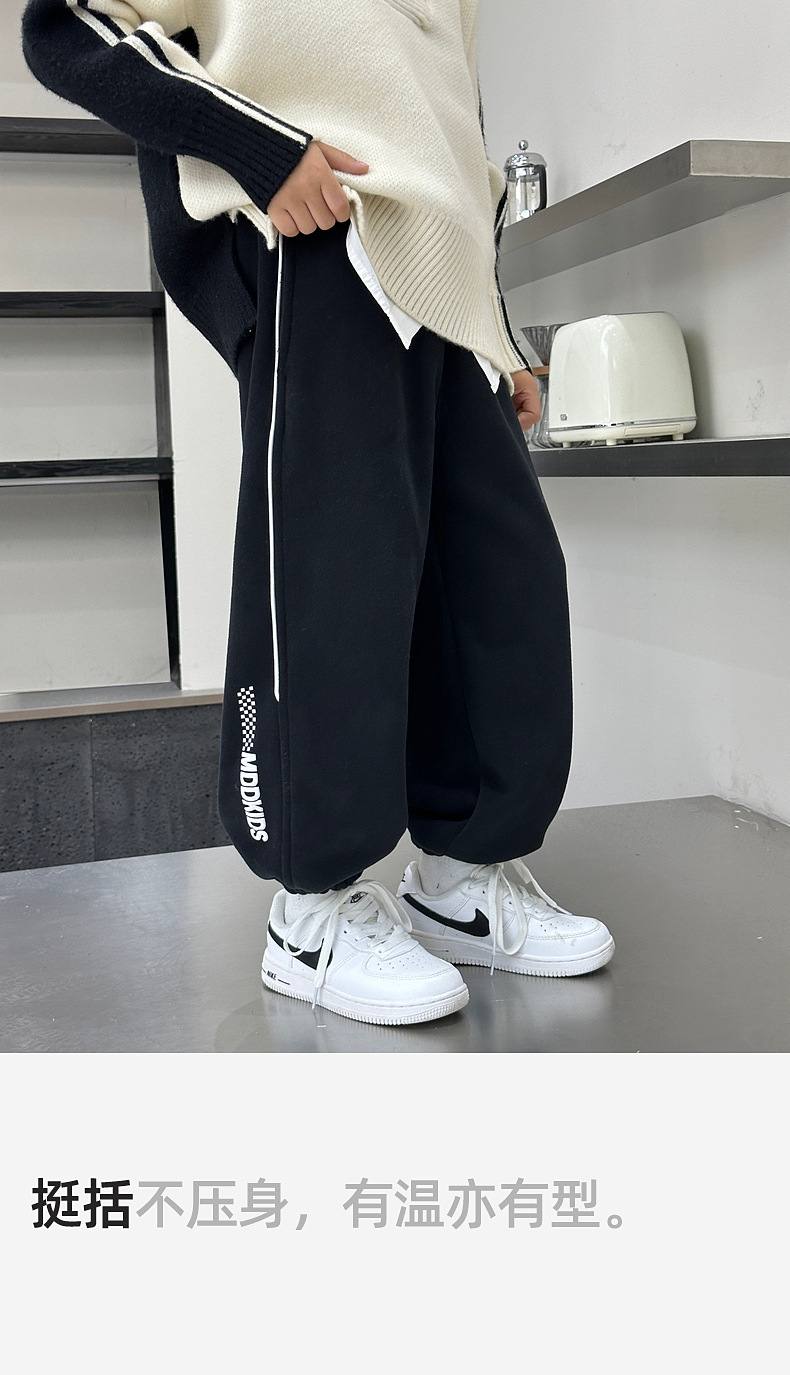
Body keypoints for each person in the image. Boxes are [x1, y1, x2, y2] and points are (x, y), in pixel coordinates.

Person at [22, 0, 615, 1028]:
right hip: (320, 230)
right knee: (333, 577)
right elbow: (67, 24)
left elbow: (444, 130)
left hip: (442, 282)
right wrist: (260, 150)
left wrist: (496, 325)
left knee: (502, 579)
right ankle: (310, 909)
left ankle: (461, 881)